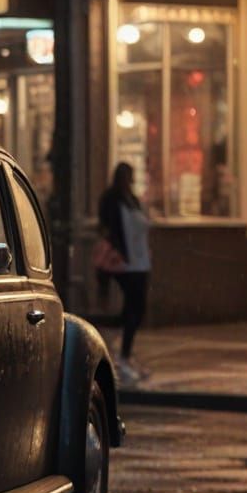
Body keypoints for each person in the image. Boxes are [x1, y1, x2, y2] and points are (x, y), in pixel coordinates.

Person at [98, 162, 152, 383]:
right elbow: (106, 227)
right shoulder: (112, 199)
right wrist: (119, 248)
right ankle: (122, 353)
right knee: (132, 307)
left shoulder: (133, 200)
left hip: (140, 261)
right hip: (123, 262)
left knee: (137, 309)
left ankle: (123, 350)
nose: (130, 180)